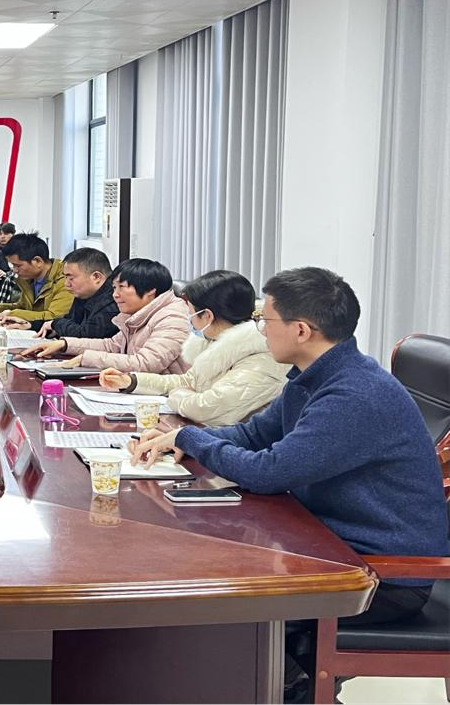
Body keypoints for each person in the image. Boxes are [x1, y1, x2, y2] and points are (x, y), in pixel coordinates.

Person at [127, 268, 449, 699]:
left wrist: (192, 439)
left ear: (301, 330)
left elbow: (268, 472)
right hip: (330, 546)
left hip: (380, 575)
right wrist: (181, 439)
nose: (259, 330)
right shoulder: (316, 376)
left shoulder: (353, 395)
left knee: (222, 616)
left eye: (265, 320)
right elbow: (255, 434)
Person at [99, 270, 285, 426]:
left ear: (207, 316)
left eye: (191, 315)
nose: (189, 321)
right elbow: (187, 381)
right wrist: (130, 381)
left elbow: (206, 408)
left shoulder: (261, 359)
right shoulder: (216, 342)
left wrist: (177, 395)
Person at [19, 258, 190, 373]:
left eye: (122, 287)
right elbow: (111, 345)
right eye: (114, 288)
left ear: (150, 290)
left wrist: (86, 358)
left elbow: (145, 363)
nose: (115, 295)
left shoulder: (172, 317)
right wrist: (64, 344)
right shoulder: (139, 313)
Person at [0, 233, 72, 325]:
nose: (14, 270)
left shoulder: (66, 279)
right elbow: (24, 307)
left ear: (37, 261)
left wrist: (13, 314)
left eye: (18, 265)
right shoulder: (28, 278)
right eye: (12, 265)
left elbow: (55, 317)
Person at [39, 247, 120, 340]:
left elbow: (86, 336)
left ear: (96, 277)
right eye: (65, 277)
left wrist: (56, 324)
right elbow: (70, 322)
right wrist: (34, 325)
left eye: (71, 278)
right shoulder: (84, 294)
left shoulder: (115, 300)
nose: (66, 284)